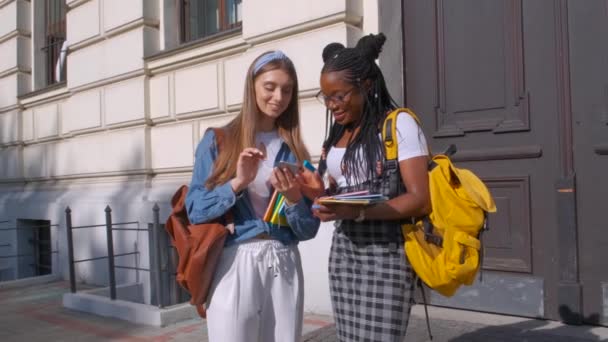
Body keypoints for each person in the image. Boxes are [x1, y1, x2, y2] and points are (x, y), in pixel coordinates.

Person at [185, 50, 322, 342]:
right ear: (252, 86)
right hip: (235, 260)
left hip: (283, 260)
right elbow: (195, 210)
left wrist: (295, 199)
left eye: (287, 90)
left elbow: (308, 229)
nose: (278, 97)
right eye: (269, 87)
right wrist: (238, 182)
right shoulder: (219, 141)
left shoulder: (294, 150)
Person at [312, 33, 432, 341]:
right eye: (326, 97)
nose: (332, 105)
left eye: (339, 95)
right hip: (344, 251)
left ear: (365, 85)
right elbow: (334, 190)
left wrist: (360, 214)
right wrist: (320, 198)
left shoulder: (398, 125)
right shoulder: (338, 133)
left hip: (386, 254)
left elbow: (420, 200)